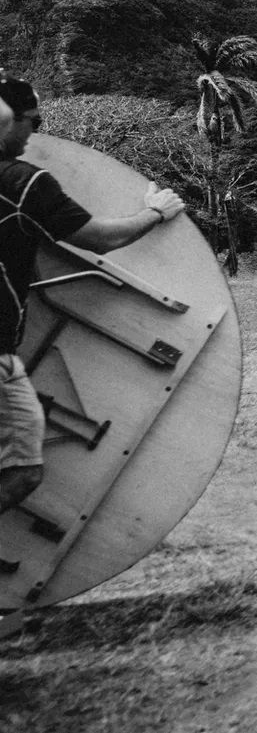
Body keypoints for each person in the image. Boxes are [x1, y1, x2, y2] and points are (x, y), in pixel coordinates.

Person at [1, 79, 187, 519]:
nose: (35, 132)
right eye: (33, 122)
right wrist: (155, 211)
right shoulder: (21, 183)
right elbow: (101, 240)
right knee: (21, 473)